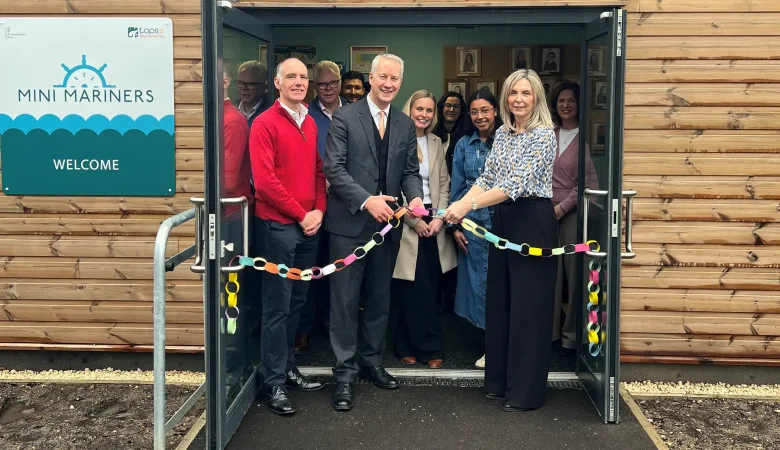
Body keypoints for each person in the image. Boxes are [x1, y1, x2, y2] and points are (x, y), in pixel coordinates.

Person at [442, 68, 558, 412]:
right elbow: (489, 176)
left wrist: (465, 204)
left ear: (536, 97)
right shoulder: (505, 134)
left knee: (528, 310)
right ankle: (498, 383)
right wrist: (459, 207)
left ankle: (525, 393)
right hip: (502, 224)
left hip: (532, 222)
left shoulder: (544, 135)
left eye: (525, 93)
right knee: (501, 303)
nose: (518, 99)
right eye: (512, 93)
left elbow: (515, 185)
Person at [323, 53, 425, 411]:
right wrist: (367, 201)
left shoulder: (403, 123)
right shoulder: (344, 117)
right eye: (383, 77)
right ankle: (345, 374)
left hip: (388, 228)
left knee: (380, 299)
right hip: (349, 226)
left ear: (400, 82)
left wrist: (415, 199)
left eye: (395, 79)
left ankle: (372, 362)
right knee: (345, 302)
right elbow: (333, 170)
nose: (388, 84)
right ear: (371, 77)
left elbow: (411, 171)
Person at [250, 57, 328, 416]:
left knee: (297, 302)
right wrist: (301, 214)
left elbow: (317, 171)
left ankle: (287, 367)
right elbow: (264, 183)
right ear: (277, 83)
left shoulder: (309, 122)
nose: (299, 81)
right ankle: (273, 382)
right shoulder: (264, 124)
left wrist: (319, 212)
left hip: (307, 226)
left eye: (303, 77)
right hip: (278, 228)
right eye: (291, 77)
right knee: (277, 307)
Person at [391, 90, 458, 369]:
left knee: (431, 288)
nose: (424, 114)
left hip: (434, 221)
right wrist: (413, 220)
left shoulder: (436, 141)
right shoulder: (395, 140)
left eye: (430, 110)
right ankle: (405, 346)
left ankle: (432, 347)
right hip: (407, 222)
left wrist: (439, 219)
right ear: (409, 109)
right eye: (419, 108)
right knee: (409, 287)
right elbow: (392, 186)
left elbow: (444, 183)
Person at [295, 60, 348, 354]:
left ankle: (332, 325)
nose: (328, 89)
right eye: (322, 84)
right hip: (312, 206)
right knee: (308, 270)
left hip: (343, 206)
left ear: (340, 83)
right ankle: (303, 329)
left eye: (333, 83)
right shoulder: (304, 114)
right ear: (315, 86)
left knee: (336, 270)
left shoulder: (353, 113)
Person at [449, 88, 503, 369]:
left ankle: (500, 344)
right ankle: (489, 346)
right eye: (474, 111)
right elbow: (457, 188)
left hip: (504, 228)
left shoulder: (507, 141)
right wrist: (454, 227)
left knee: (500, 286)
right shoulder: (463, 145)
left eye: (485, 110)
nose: (480, 116)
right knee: (478, 287)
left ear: (495, 110)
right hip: (473, 226)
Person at [549, 81, 599, 350]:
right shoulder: (549, 134)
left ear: (579, 105)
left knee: (574, 275)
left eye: (571, 100)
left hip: (572, 214)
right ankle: (551, 334)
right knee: (550, 274)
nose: (566, 105)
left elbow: (586, 184)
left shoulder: (585, 137)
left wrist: (561, 208)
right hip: (545, 210)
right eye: (561, 101)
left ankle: (571, 338)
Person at [236, 60, 269, 127]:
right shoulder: (233, 109)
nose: (244, 88)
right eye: (240, 83)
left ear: (262, 87)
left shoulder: (269, 113)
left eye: (249, 84)